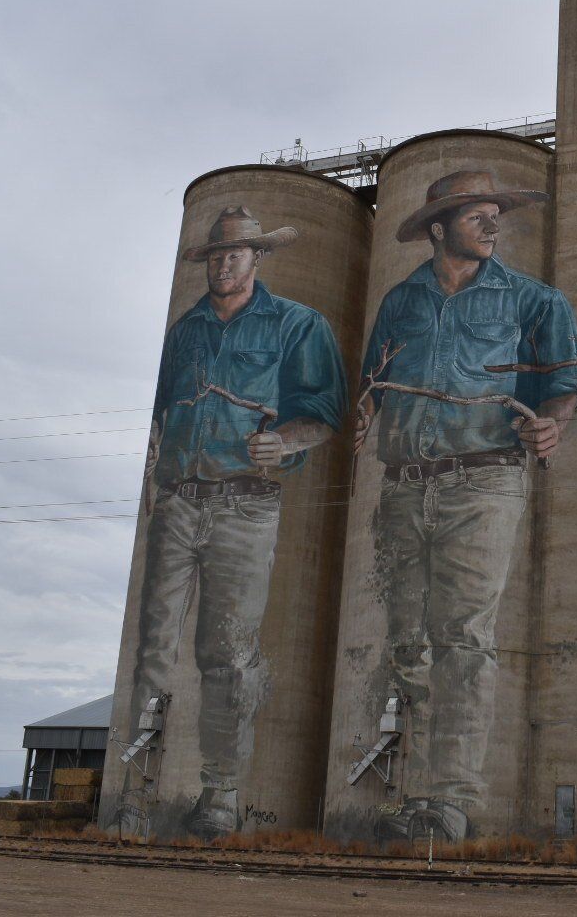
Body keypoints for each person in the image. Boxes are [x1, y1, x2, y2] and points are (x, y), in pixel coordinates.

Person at [357, 169, 577, 842]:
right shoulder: (399, 303)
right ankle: (414, 797)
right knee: (408, 642)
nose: (492, 224)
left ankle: (450, 803)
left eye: (497, 214)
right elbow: (373, 381)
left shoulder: (534, 300)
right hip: (403, 485)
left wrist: (554, 421)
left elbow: (565, 383)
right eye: (477, 215)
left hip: (483, 482)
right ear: (438, 228)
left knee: (462, 638)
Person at [131, 205, 347, 840]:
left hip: (244, 504)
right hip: (175, 501)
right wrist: (151, 479)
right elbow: (161, 412)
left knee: (225, 653)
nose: (225, 263)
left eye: (238, 253)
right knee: (152, 646)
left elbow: (323, 411)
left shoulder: (298, 324)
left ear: (259, 258)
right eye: (216, 254)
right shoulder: (185, 330)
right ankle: (137, 787)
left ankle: (220, 795)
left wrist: (284, 444)